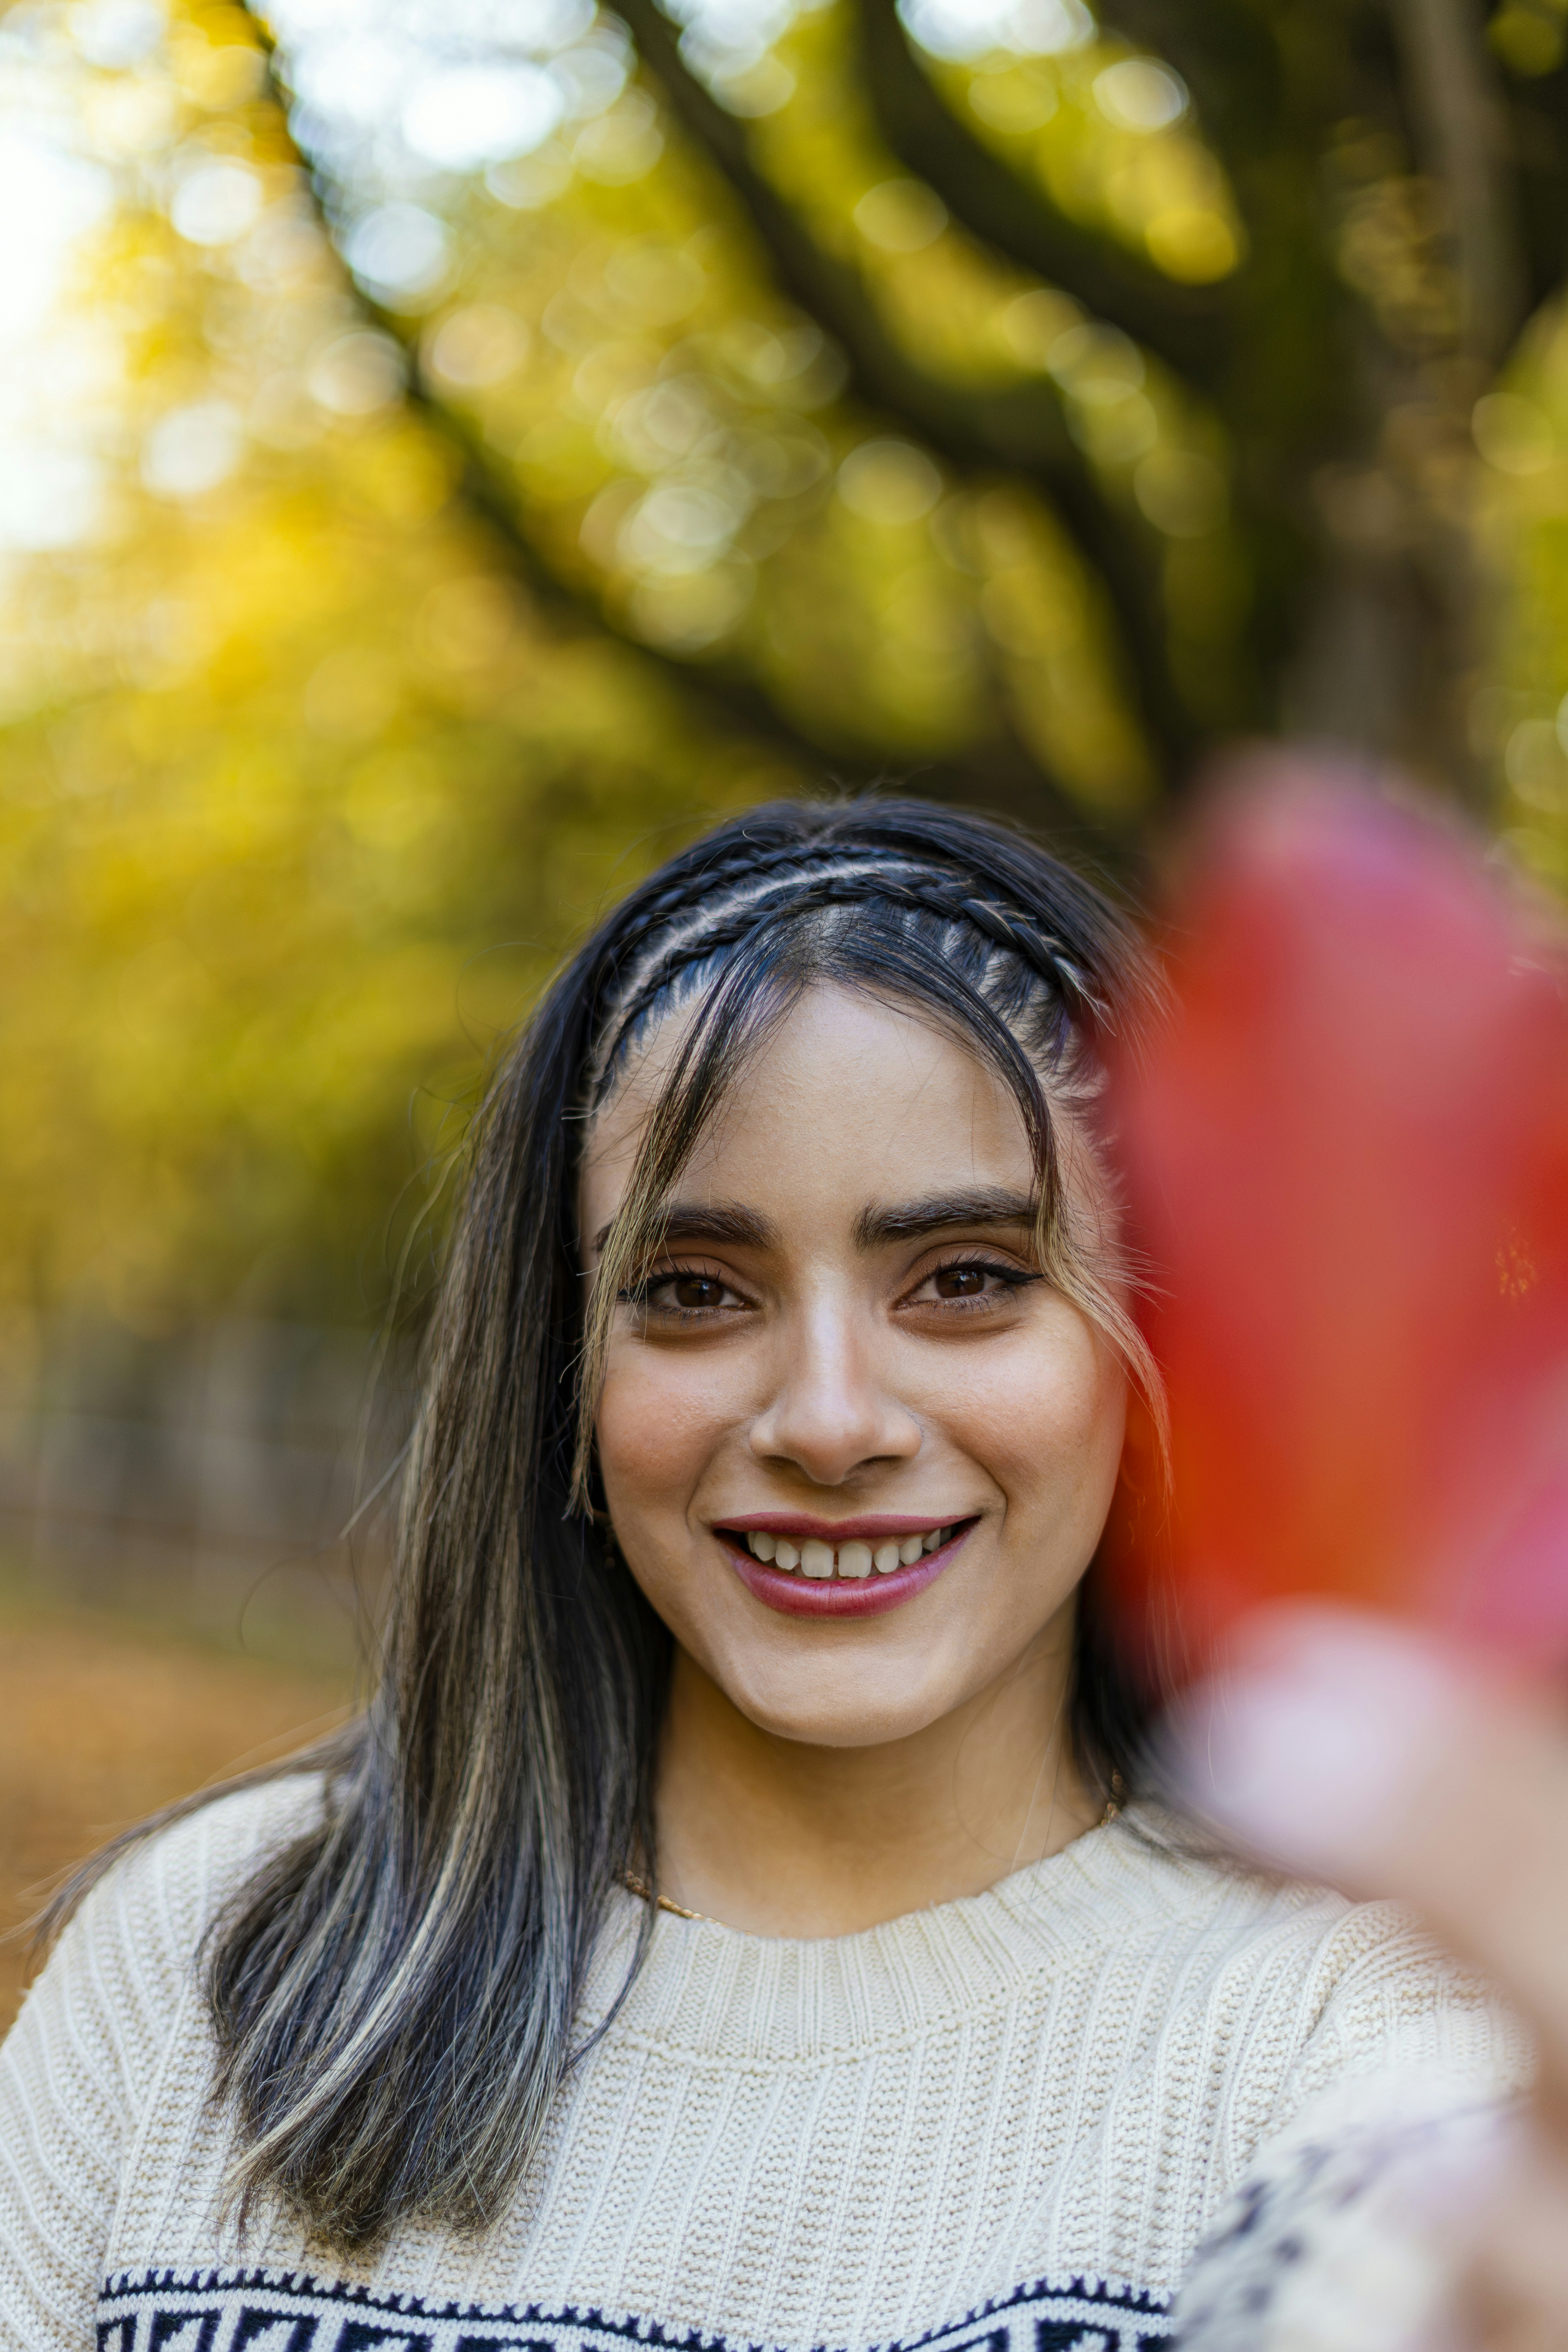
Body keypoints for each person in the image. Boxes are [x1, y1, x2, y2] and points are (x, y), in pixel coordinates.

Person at [0, 798, 1535, 2352]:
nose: (826, 1420)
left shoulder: (1353, 2036)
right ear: (565, 1368)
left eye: (965, 1282)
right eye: (692, 1290)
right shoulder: (216, 1956)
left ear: (1157, 1356)